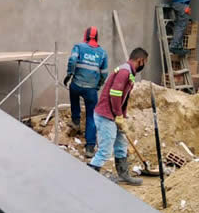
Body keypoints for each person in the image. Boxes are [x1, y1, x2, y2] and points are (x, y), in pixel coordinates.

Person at [88, 47, 149, 185]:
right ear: (140, 61)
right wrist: (118, 115)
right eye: (145, 62)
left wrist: (123, 117)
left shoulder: (128, 72)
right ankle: (89, 176)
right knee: (105, 150)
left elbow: (124, 98)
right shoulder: (124, 72)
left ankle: (123, 174)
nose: (144, 65)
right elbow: (115, 94)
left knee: (121, 145)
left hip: (114, 115)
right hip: (106, 115)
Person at [63, 26, 108, 156]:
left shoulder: (78, 47)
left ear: (85, 36)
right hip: (91, 90)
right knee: (91, 116)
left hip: (77, 84)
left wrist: (69, 74)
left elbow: (72, 60)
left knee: (73, 91)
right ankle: (89, 147)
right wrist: (98, 85)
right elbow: (104, 73)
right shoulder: (102, 53)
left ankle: (76, 121)